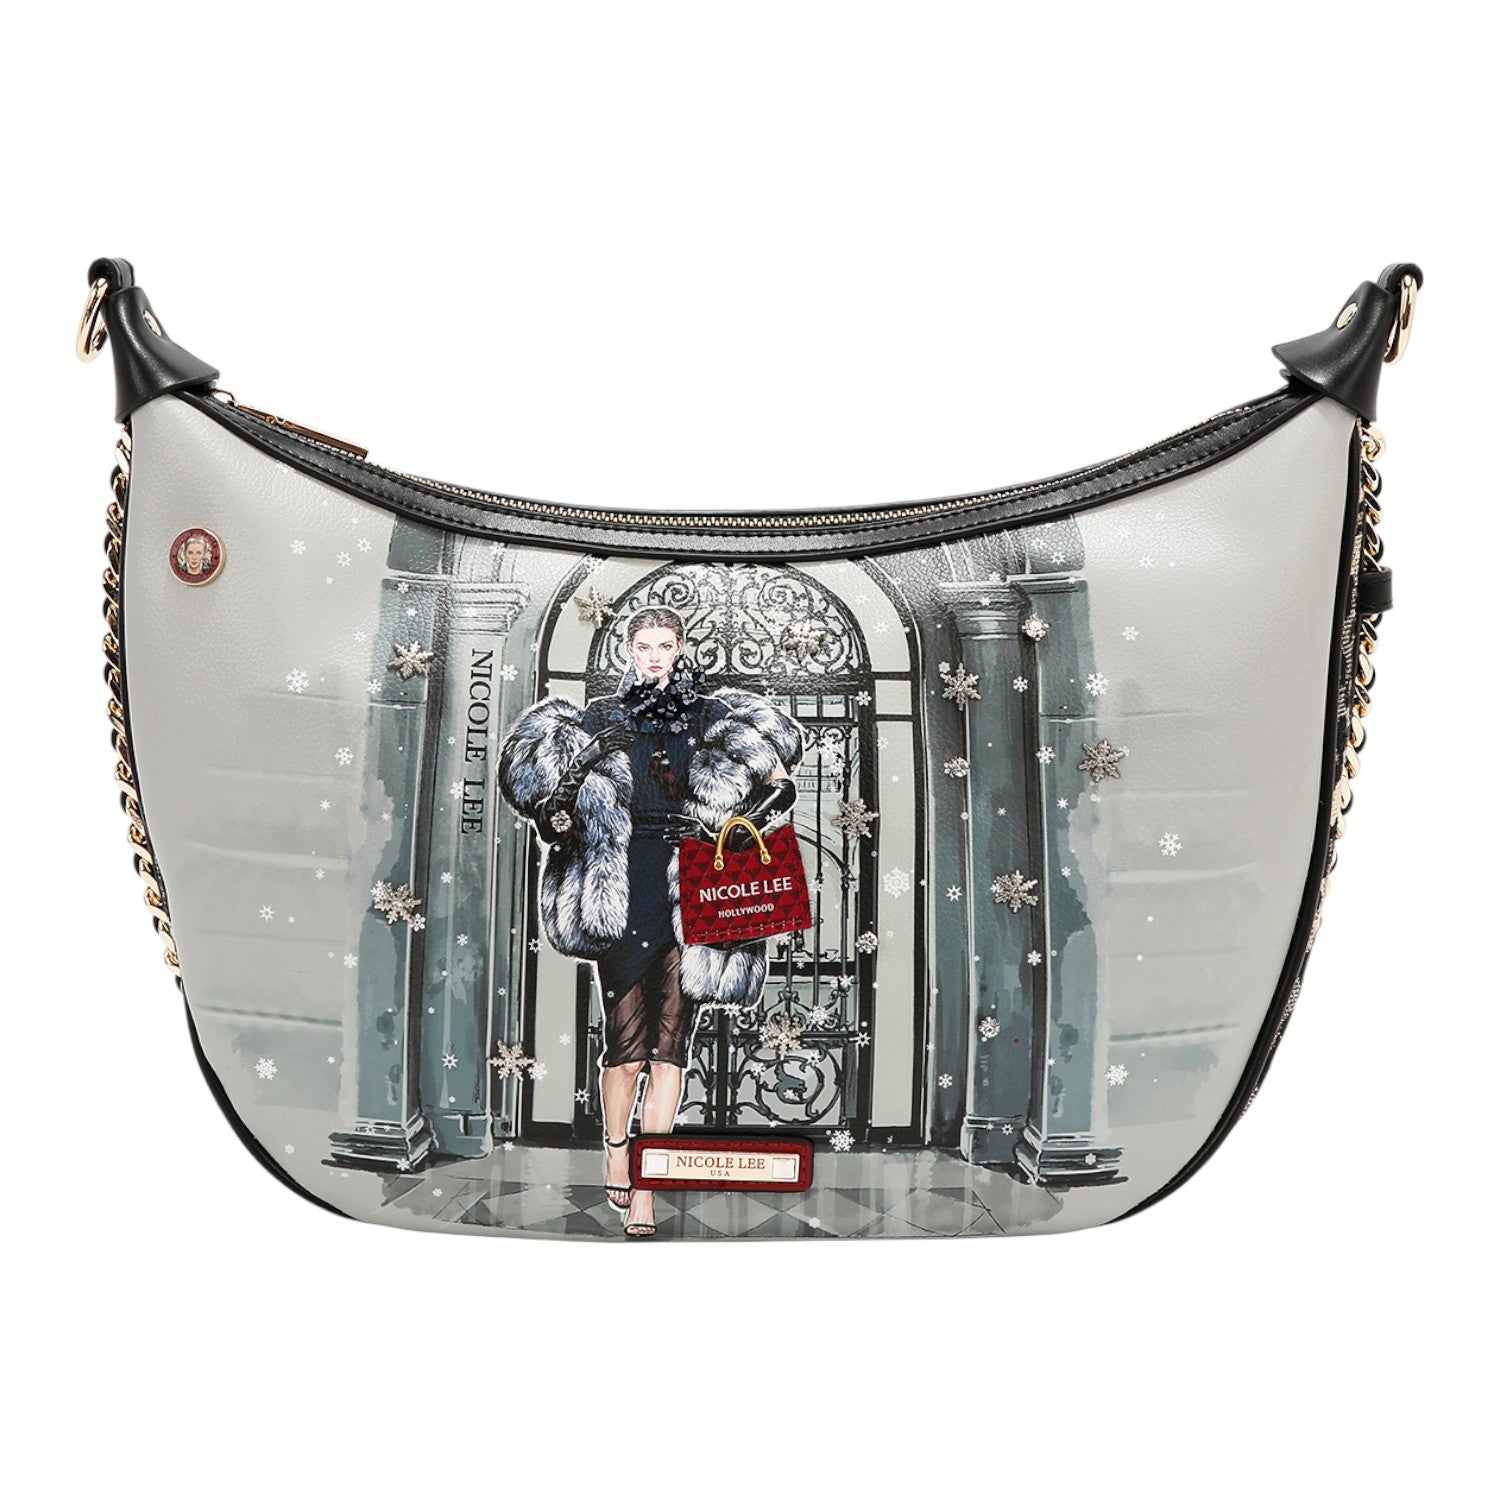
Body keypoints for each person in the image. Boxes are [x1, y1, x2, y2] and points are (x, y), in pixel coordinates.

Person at [498, 606, 802, 1236]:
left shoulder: (712, 714)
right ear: (628, 650)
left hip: (692, 879)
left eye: (666, 644)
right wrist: (588, 758)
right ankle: (616, 1152)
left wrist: (737, 826)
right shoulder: (599, 716)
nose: (655, 655)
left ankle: (646, 1183)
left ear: (680, 647)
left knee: (670, 1048)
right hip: (622, 880)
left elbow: (781, 785)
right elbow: (549, 812)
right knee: (627, 1047)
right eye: (644, 645)